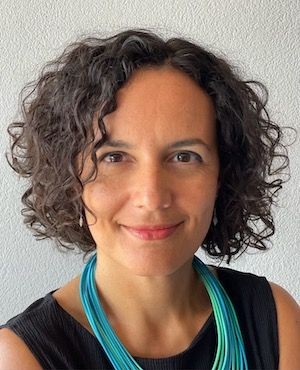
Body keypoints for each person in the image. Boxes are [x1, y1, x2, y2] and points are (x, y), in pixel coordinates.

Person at [0, 28, 299, 370]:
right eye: (113, 157)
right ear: (70, 179)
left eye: (185, 157)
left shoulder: (276, 319)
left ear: (223, 174)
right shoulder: (23, 357)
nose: (152, 197)